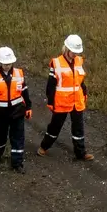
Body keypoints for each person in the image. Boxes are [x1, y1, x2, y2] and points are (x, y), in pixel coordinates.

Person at [39, 33, 92, 161]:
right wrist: (51, 101)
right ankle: (44, 147)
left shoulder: (79, 61)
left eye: (77, 52)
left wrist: (84, 94)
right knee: (55, 127)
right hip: (62, 102)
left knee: (78, 128)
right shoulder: (56, 63)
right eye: (73, 52)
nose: (75, 54)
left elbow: (80, 81)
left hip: (76, 101)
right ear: (67, 49)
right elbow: (50, 85)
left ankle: (81, 153)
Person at [0, 46, 32, 172]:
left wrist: (28, 107)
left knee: (18, 136)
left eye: (9, 64)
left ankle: (17, 163)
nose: (7, 66)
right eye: (4, 64)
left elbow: (24, 91)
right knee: (0, 137)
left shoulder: (19, 73)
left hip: (17, 110)